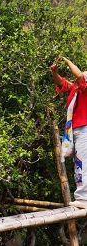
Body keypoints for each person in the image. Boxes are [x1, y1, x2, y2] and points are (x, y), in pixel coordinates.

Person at [51, 57, 87, 208]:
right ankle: (83, 197)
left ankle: (84, 199)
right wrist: (54, 72)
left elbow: (79, 75)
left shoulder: (84, 88)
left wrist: (66, 60)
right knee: (79, 163)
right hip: (76, 130)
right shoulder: (76, 88)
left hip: (85, 129)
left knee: (83, 163)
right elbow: (61, 83)